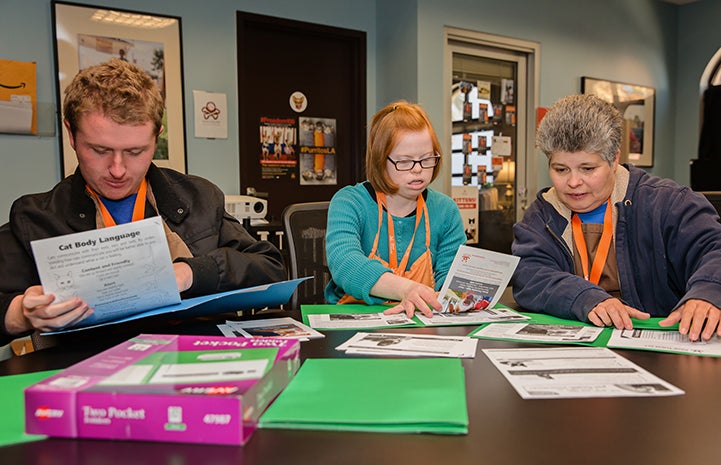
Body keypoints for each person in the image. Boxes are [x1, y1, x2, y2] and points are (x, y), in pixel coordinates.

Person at [0, 59, 286, 346]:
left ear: (156, 137)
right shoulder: (35, 218)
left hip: (193, 361)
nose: (117, 169)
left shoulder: (198, 198)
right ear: (71, 135)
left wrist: (191, 273)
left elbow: (269, 267)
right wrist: (20, 314)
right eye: (99, 150)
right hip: (89, 370)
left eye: (135, 151)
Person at [512, 93, 721, 341]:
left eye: (588, 169)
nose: (573, 182)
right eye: (560, 169)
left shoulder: (669, 204)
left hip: (661, 348)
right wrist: (583, 297)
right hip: (579, 349)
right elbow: (530, 274)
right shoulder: (541, 215)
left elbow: (713, 249)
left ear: (614, 159)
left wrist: (708, 291)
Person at [324, 100, 466, 317]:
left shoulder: (445, 210)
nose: (418, 170)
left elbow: (451, 280)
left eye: (427, 159)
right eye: (405, 162)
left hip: (421, 322)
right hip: (355, 318)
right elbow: (345, 263)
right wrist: (406, 289)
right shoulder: (349, 202)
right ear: (381, 161)